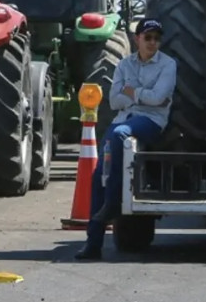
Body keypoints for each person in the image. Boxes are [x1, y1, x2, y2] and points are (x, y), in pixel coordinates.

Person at [75, 17, 176, 261]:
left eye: (156, 38)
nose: (153, 42)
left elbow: (160, 99)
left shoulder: (168, 64)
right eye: (148, 37)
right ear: (137, 39)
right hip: (124, 119)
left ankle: (112, 202)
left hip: (151, 122)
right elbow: (113, 100)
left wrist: (132, 93)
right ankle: (93, 243)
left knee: (120, 134)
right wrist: (143, 96)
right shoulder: (123, 64)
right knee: (98, 175)